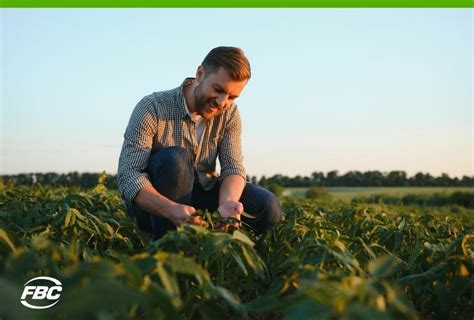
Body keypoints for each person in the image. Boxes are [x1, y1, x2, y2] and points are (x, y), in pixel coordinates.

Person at [117, 46, 281, 241]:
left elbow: (233, 167)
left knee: (267, 206)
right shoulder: (152, 107)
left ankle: (218, 242)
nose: (222, 102)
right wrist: (171, 210)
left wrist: (227, 204)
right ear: (200, 74)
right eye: (218, 90)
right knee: (176, 159)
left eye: (232, 97)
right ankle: (166, 245)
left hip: (201, 193)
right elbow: (128, 175)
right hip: (155, 205)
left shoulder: (230, 114)